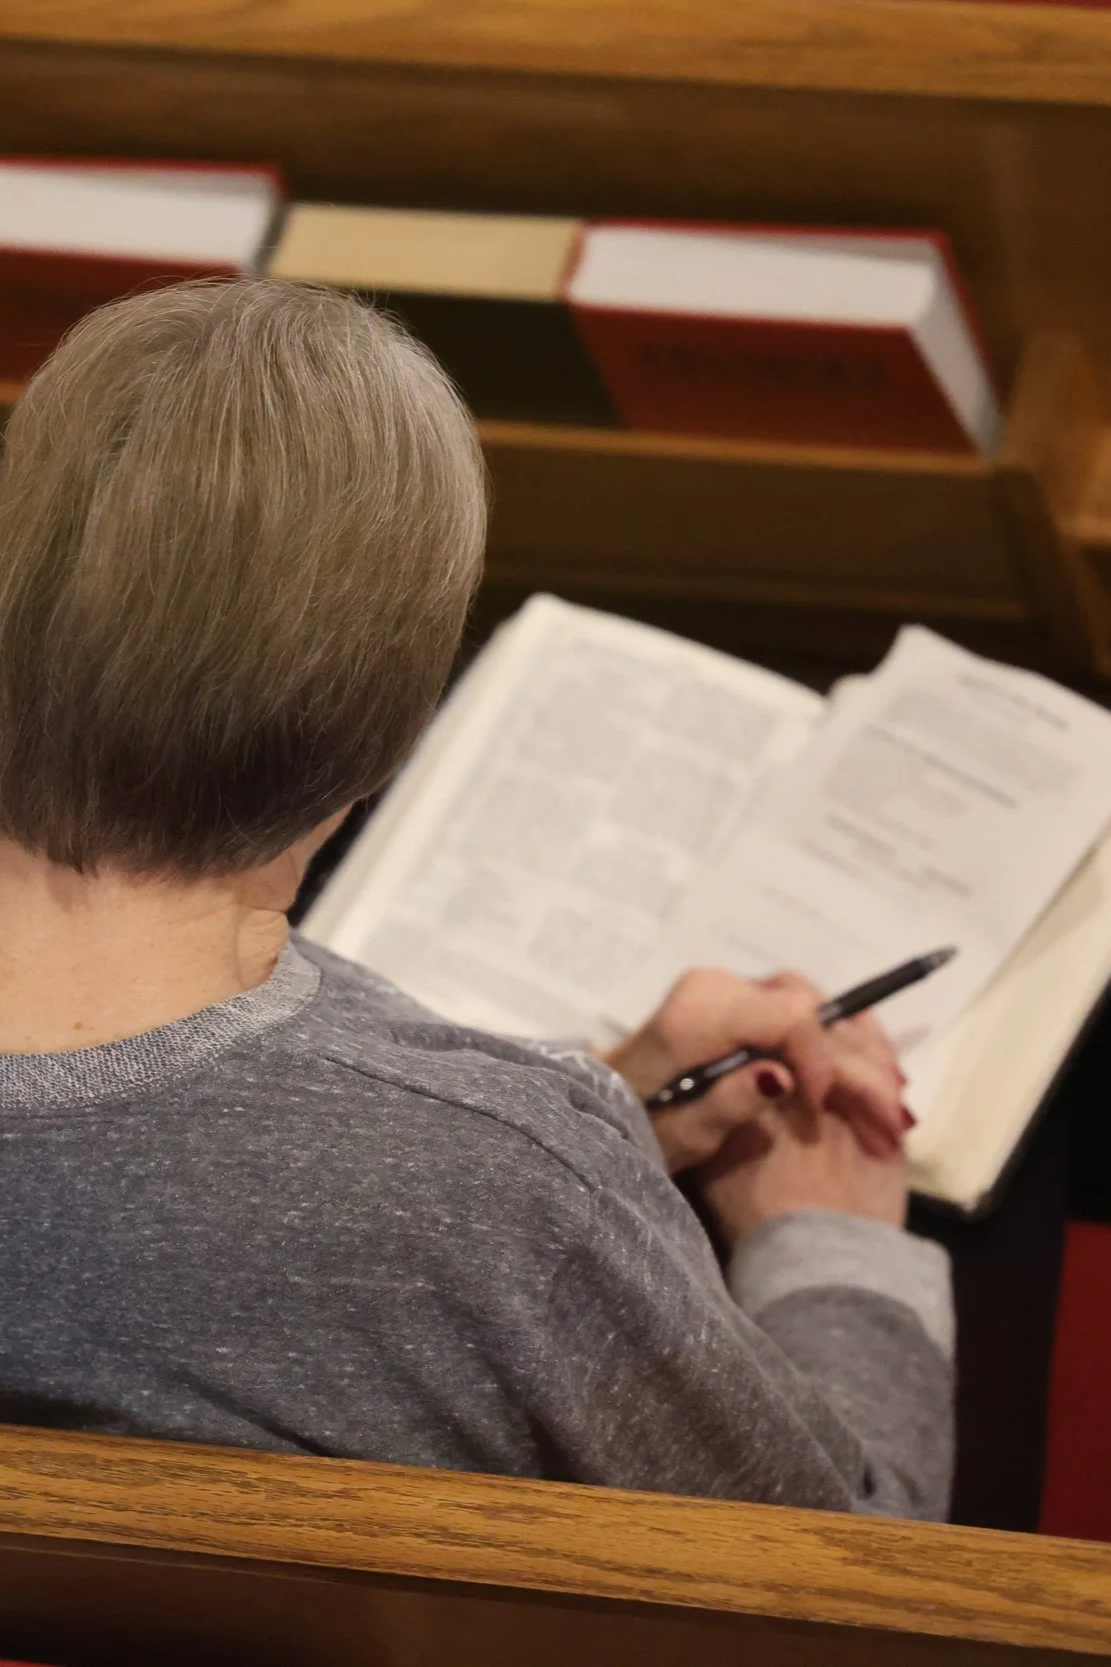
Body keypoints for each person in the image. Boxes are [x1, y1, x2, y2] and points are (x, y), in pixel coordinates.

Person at [0, 279, 952, 1519]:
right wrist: (825, 1236)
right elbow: (846, 1582)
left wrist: (608, 1112)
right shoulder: (488, 1192)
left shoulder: (486, 1179)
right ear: (383, 734)